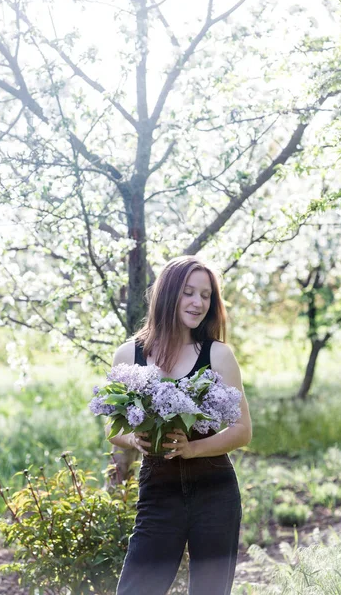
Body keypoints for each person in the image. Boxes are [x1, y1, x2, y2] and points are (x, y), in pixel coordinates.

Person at [107, 255, 252, 595]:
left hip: (215, 491)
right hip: (158, 491)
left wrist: (191, 449)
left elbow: (242, 431)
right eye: (189, 292)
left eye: (206, 295)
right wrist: (134, 439)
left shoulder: (218, 355)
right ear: (168, 294)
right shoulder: (129, 355)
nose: (198, 302)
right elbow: (112, 431)